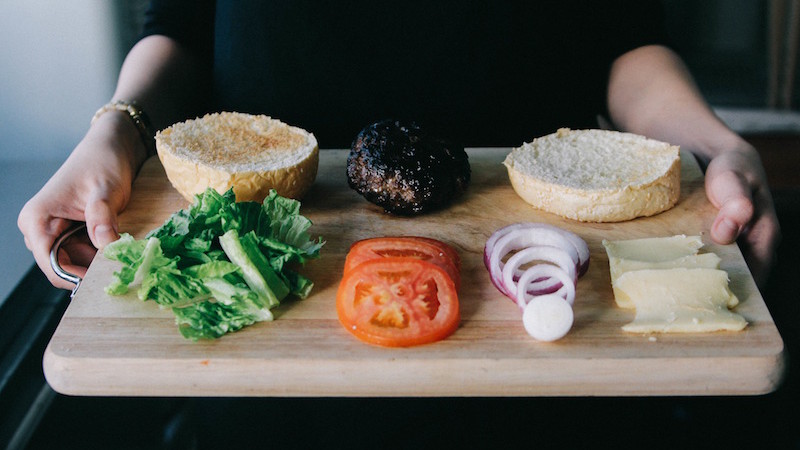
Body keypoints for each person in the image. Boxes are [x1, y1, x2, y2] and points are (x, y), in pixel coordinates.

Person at [19, 0, 779, 290]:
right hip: (268, 277)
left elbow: (627, 41)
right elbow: (179, 27)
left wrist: (714, 146)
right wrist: (112, 129)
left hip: (542, 287)